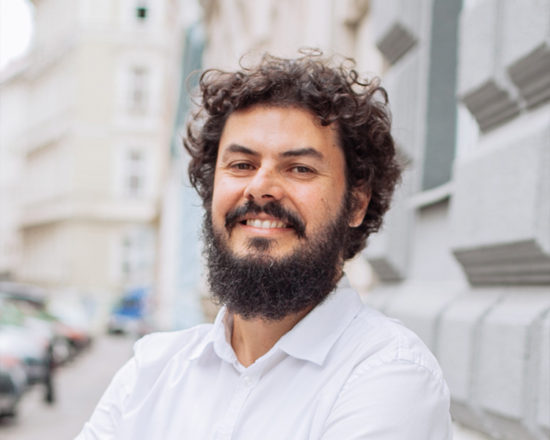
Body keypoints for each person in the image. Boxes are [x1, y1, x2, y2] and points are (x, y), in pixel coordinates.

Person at [76, 51, 451, 439]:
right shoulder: (149, 372)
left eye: (300, 169)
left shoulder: (390, 376)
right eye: (241, 165)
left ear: (356, 204)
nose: (260, 188)